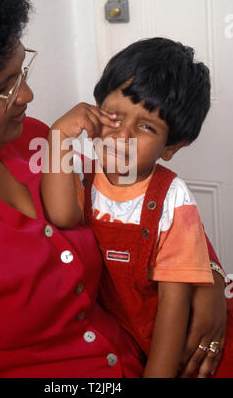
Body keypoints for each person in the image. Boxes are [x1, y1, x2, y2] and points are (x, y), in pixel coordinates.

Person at [0, 0, 226, 378]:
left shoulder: (34, 137)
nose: (29, 95)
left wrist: (210, 278)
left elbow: (140, 198)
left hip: (134, 354)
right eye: (4, 88)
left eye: (24, 72)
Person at [41, 38, 233, 377]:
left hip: (182, 341)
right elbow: (62, 215)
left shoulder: (172, 198)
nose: (122, 135)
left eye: (146, 127)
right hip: (128, 333)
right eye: (113, 115)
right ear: (95, 108)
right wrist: (59, 134)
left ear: (172, 146)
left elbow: (175, 303)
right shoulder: (83, 173)